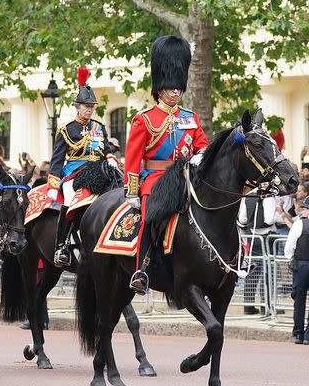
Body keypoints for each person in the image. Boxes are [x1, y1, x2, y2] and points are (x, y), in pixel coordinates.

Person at [124, 35, 209, 294]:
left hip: (185, 178)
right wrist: (132, 192)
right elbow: (133, 158)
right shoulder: (145, 119)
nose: (176, 91)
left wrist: (201, 157)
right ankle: (141, 269)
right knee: (150, 218)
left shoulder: (190, 118)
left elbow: (202, 146)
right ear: (160, 87)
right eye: (171, 87)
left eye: (178, 87)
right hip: (155, 180)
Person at [47, 67, 118, 267]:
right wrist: (53, 185)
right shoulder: (67, 129)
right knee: (69, 199)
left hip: (100, 169)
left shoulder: (99, 127)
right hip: (74, 172)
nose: (89, 109)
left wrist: (111, 157)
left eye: (91, 106)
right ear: (77, 107)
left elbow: (105, 149)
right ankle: (61, 245)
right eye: (86, 106)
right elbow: (57, 160)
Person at [238, 193, 277, 314]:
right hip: (266, 238)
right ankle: (267, 306)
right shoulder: (269, 197)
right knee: (268, 272)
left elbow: (243, 220)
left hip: (253, 237)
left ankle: (248, 306)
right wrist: (280, 217)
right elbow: (269, 219)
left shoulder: (248, 197)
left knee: (252, 271)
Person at [284, 196, 309, 344]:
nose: (303, 210)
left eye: (306, 208)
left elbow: (289, 246)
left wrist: (291, 259)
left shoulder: (300, 224)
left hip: (301, 265)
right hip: (302, 263)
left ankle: (298, 333)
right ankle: (307, 335)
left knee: (299, 300)